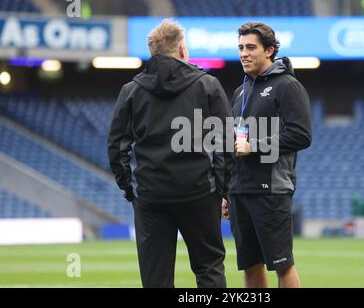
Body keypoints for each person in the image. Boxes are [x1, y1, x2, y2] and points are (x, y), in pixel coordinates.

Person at [108, 19, 231, 287]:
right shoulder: (208, 85)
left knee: (156, 277)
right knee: (209, 268)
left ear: (152, 53)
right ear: (182, 50)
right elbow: (226, 143)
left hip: (151, 195)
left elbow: (116, 146)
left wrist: (131, 189)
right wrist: (222, 190)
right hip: (199, 192)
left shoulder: (131, 91)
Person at [222, 22, 312, 288]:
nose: (244, 53)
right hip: (240, 190)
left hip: (271, 190)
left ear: (270, 50)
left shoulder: (288, 86)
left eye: (251, 47)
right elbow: (234, 143)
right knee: (250, 268)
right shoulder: (241, 91)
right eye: (240, 47)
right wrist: (227, 190)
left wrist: (256, 145)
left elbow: (302, 135)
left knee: (282, 265)